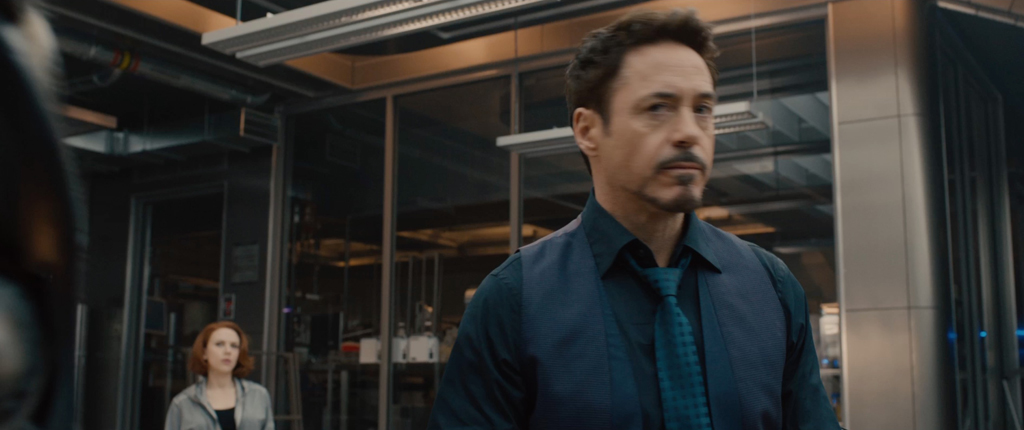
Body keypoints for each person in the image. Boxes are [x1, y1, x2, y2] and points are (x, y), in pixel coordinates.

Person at [428, 9, 842, 430]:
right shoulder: (515, 301)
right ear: (588, 130)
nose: (689, 131)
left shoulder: (770, 288)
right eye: (658, 107)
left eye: (702, 108)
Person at [165, 321, 274, 430]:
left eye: (234, 346)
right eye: (219, 344)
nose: (228, 351)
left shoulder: (258, 395)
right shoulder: (183, 403)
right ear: (204, 352)